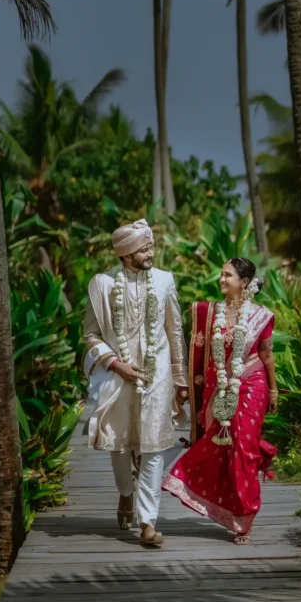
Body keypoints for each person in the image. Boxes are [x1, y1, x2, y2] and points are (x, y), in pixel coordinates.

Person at [82, 219, 188, 548]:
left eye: (151, 246)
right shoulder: (102, 285)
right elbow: (90, 334)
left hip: (156, 378)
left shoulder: (165, 281)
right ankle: (126, 494)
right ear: (126, 255)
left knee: (155, 447)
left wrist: (179, 379)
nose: (150, 253)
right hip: (118, 377)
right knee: (119, 444)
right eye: (144, 249)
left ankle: (147, 523)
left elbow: (175, 331)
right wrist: (116, 364)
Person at [162, 258, 278, 545]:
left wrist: (274, 391)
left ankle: (244, 518)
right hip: (221, 389)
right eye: (222, 274)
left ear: (245, 283)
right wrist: (187, 386)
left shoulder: (261, 316)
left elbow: (266, 356)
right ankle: (220, 501)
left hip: (252, 384)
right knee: (220, 446)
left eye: (228, 275)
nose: (222, 279)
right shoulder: (210, 313)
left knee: (243, 447)